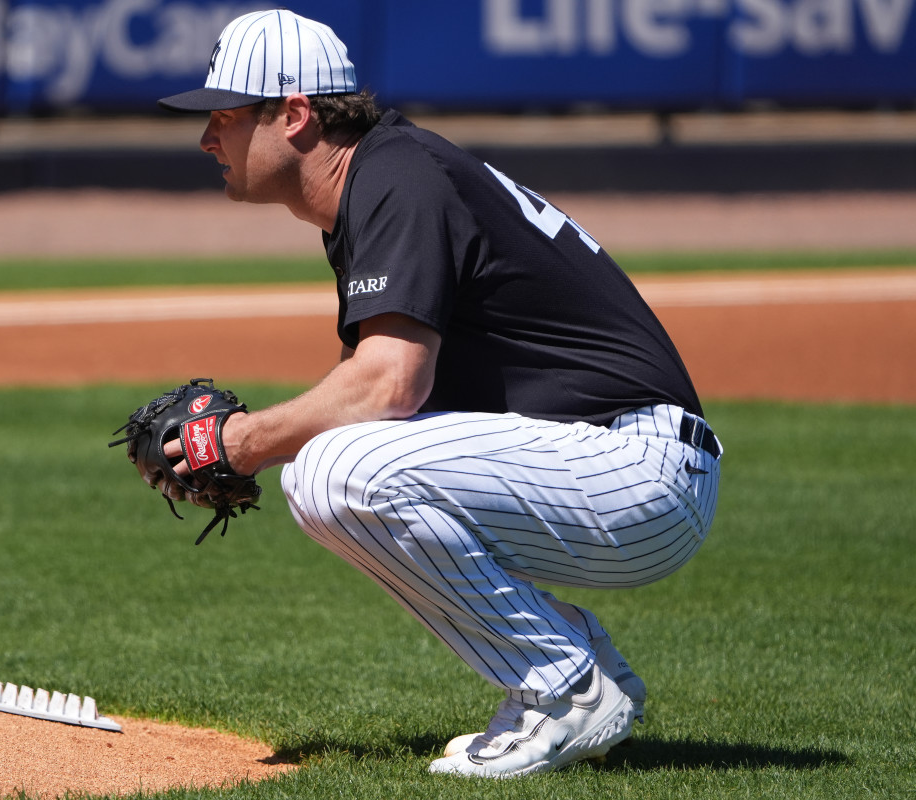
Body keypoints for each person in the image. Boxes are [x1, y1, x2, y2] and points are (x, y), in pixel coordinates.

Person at [157, 9, 722, 778]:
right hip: (613, 463)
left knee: (334, 471)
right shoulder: (382, 180)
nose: (205, 139)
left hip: (636, 470)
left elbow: (389, 384)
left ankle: (565, 687)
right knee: (334, 466)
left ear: (293, 116)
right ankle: (583, 671)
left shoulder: (396, 177)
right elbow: (396, 398)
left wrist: (240, 443)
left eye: (223, 117)